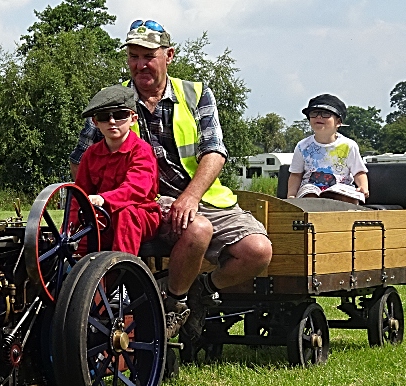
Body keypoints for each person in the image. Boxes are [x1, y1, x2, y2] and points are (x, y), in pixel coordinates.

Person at [70, 20, 272, 345]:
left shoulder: (195, 93)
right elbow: (80, 160)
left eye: (148, 56)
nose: (140, 65)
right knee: (198, 229)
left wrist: (191, 197)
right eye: (134, 57)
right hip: (145, 202)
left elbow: (215, 152)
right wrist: (103, 199)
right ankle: (172, 305)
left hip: (200, 195)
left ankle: (200, 291)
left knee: (258, 251)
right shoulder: (116, 102)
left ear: (169, 55)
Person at [74, 84, 161, 256]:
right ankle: (73, 272)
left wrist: (103, 199)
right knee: (84, 240)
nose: (112, 122)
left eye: (120, 115)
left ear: (133, 119)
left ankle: (120, 269)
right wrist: (68, 231)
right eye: (104, 117)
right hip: (105, 216)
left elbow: (136, 190)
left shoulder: (141, 151)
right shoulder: (90, 154)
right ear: (95, 122)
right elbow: (79, 195)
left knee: (126, 213)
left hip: (142, 215)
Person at [287, 94, 369, 205]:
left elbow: (359, 171)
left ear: (338, 122)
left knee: (346, 197)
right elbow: (296, 174)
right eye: (314, 113)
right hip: (311, 189)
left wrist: (363, 187)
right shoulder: (302, 146)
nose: (319, 117)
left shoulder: (349, 145)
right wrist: (291, 195)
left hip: (341, 188)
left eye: (326, 114)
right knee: (309, 195)